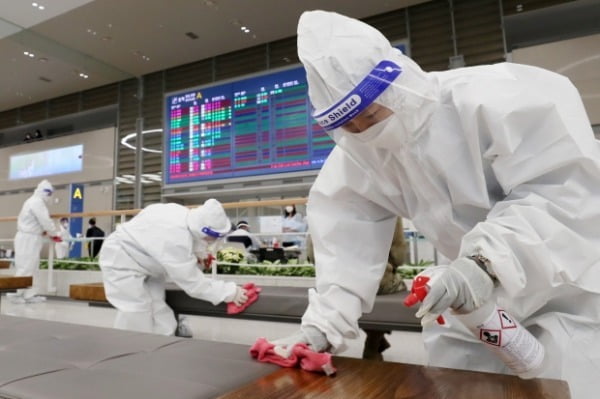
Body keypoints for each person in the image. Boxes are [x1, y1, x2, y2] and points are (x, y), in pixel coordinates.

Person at [271, 10, 600, 399]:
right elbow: (345, 248)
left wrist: (485, 262)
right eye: (350, 126)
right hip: (465, 308)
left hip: (562, 292)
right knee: (461, 389)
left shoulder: (494, 99)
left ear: (394, 83)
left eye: (370, 115)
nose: (365, 133)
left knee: (565, 387)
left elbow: (562, 192)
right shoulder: (360, 158)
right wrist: (322, 327)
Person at [98, 198, 249, 335]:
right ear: (203, 230)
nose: (214, 241)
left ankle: (165, 347)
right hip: (121, 260)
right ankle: (129, 355)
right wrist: (229, 292)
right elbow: (193, 283)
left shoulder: (182, 214)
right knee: (136, 311)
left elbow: (179, 240)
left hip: (147, 262)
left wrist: (198, 253)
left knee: (158, 308)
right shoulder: (176, 239)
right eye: (214, 237)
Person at [10, 179, 61, 304]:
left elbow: (38, 222)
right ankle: (15, 294)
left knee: (32, 267)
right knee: (25, 267)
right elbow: (45, 221)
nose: (49, 196)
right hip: (27, 238)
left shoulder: (34, 202)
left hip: (32, 237)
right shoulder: (36, 202)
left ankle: (29, 294)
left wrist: (47, 232)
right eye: (48, 193)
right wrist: (54, 234)